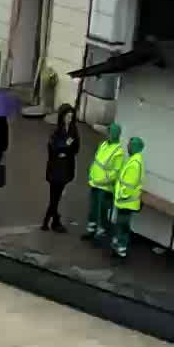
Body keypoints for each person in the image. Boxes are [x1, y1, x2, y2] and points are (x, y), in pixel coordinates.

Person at [42, 105, 82, 233]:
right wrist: (64, 147)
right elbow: (53, 149)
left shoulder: (73, 131)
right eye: (67, 116)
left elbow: (75, 149)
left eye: (71, 117)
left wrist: (64, 150)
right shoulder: (57, 131)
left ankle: (51, 222)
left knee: (56, 197)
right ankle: (50, 221)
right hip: (55, 169)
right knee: (54, 197)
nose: (69, 119)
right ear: (62, 117)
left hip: (65, 169)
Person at [84, 123, 125, 245]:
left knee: (102, 211)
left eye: (110, 132)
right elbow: (97, 161)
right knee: (93, 209)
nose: (108, 135)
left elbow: (115, 173)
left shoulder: (118, 151)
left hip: (105, 187)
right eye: (108, 132)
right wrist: (91, 173)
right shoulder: (103, 145)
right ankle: (91, 230)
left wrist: (103, 180)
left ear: (115, 134)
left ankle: (100, 234)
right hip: (95, 183)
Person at [111, 136, 146, 259]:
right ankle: (118, 246)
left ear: (135, 147)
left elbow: (128, 185)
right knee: (122, 224)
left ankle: (120, 249)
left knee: (122, 224)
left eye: (130, 145)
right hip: (127, 201)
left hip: (126, 201)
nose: (127, 146)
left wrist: (120, 195)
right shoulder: (135, 160)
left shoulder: (134, 164)